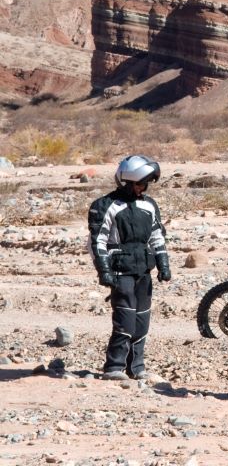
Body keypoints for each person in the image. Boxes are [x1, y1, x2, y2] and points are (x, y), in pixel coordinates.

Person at [88, 155, 170, 380]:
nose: (143, 188)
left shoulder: (149, 205)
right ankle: (114, 367)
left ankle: (136, 368)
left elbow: (157, 236)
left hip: (143, 269)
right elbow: (97, 241)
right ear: (126, 182)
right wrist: (103, 269)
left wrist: (163, 263)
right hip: (119, 270)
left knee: (142, 320)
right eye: (139, 184)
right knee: (125, 320)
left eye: (145, 184)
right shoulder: (105, 205)